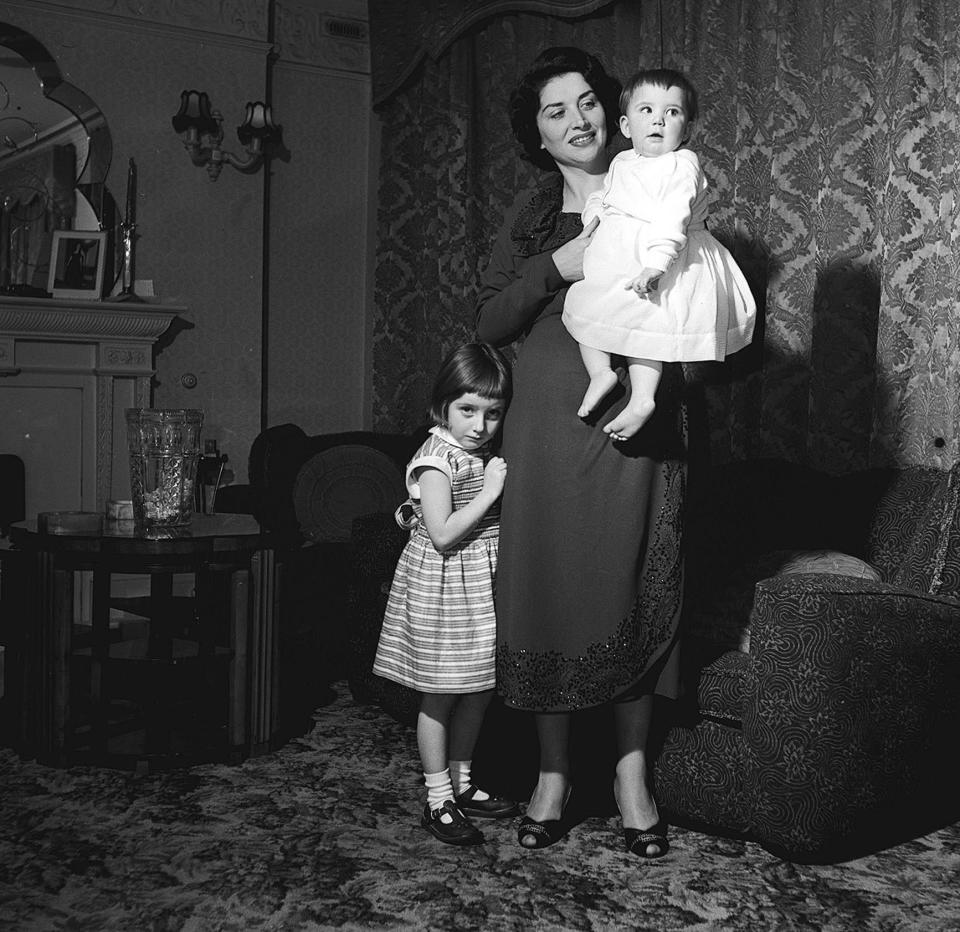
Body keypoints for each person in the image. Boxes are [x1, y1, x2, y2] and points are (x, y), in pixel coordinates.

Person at [476, 47, 687, 858]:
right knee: (548, 591)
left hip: (638, 428)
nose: (579, 120)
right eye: (557, 110)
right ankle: (553, 776)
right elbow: (489, 320)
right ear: (536, 134)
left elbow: (701, 299)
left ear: (617, 109)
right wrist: (555, 267)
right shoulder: (531, 219)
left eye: (590, 102)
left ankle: (633, 778)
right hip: (545, 434)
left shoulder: (660, 184)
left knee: (629, 585)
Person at [372, 342, 519, 846]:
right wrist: (490, 492)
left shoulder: (479, 453)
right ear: (442, 408)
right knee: (441, 695)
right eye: (468, 411)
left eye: (493, 413)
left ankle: (462, 782)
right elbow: (442, 534)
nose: (480, 425)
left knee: (478, 688)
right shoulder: (436, 460)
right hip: (445, 584)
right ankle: (437, 799)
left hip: (480, 583)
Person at [564, 68, 755, 441]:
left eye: (672, 112)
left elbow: (673, 215)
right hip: (619, 261)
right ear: (625, 124)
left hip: (665, 259)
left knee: (646, 328)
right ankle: (601, 373)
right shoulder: (621, 162)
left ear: (685, 130)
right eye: (646, 110)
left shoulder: (681, 164)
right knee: (585, 305)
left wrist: (656, 263)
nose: (658, 120)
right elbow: (607, 196)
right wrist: (595, 214)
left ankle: (643, 399)